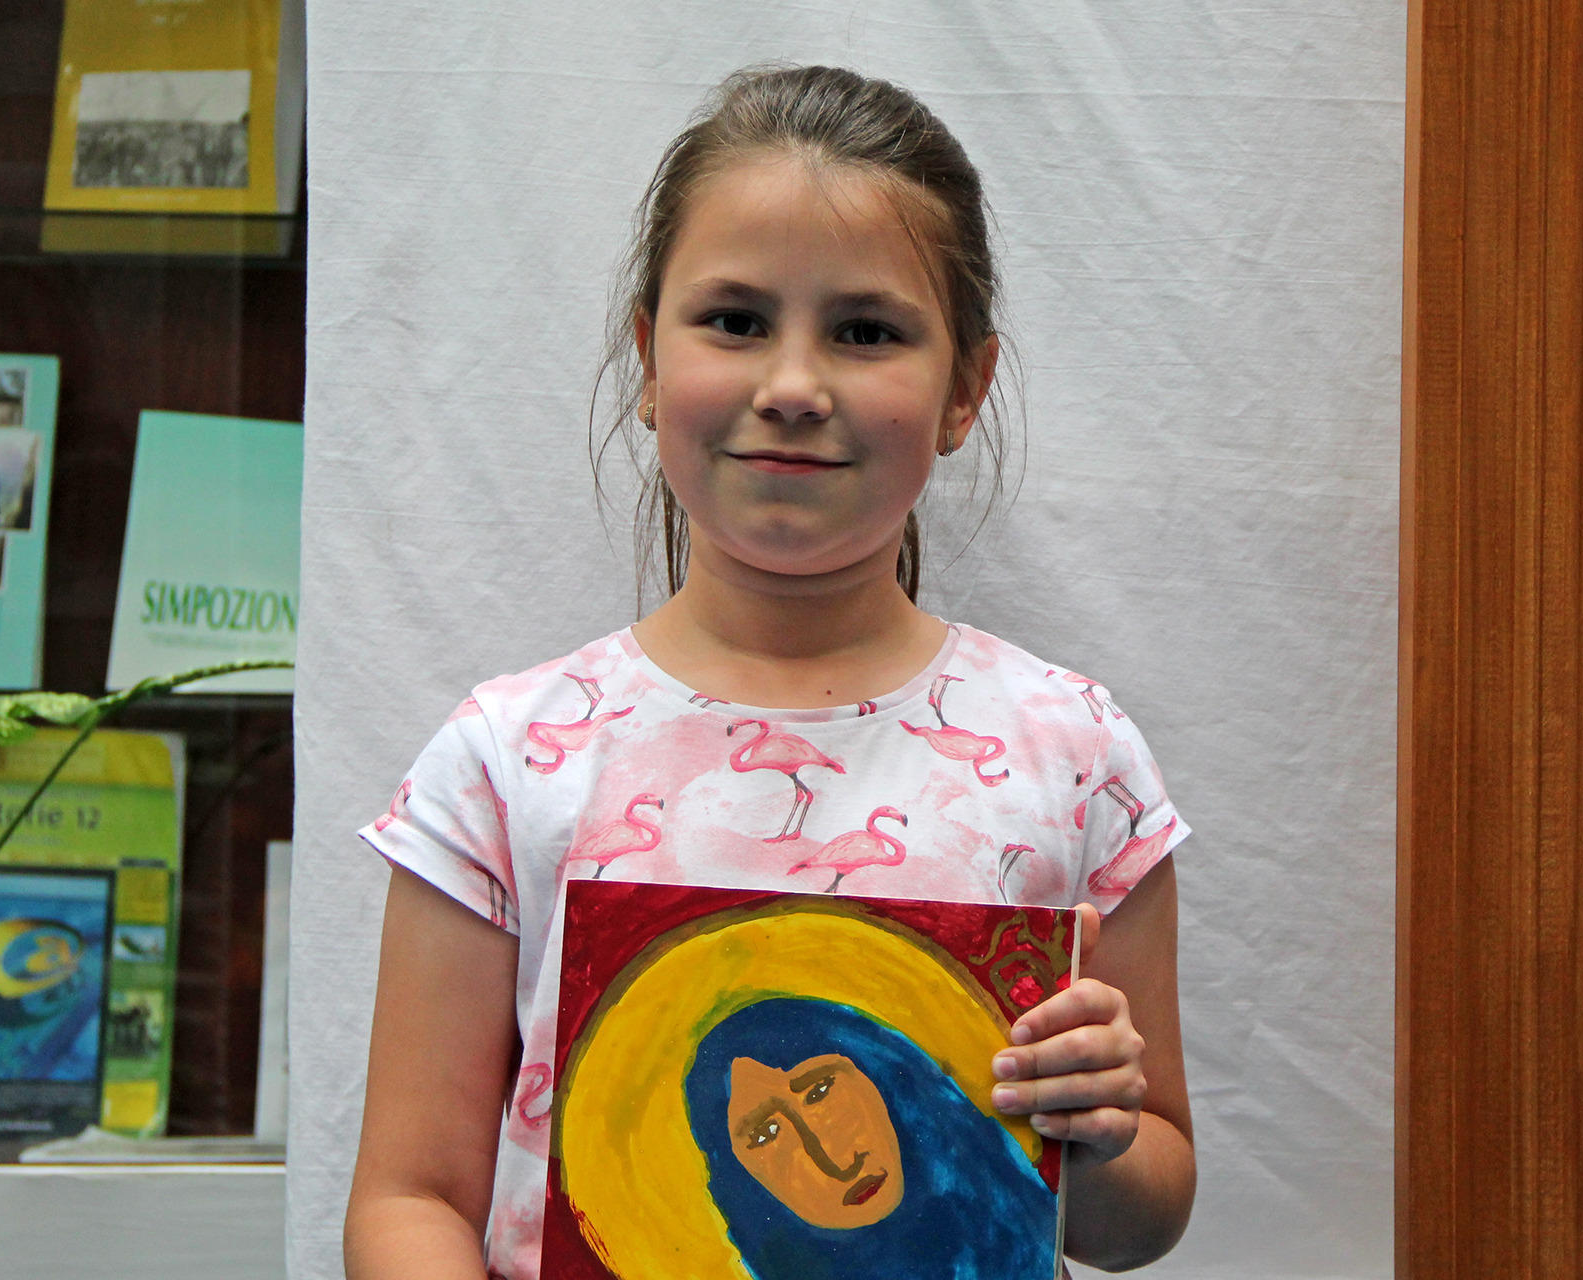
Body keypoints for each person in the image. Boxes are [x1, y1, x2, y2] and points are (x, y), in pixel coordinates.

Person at [345, 63, 1196, 1280]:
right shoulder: (504, 761)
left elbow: (1145, 1213)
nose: (793, 387)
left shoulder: (1077, 756)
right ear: (647, 359)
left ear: (964, 389)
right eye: (736, 320)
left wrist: (1098, 1131)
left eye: (866, 331)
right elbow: (408, 1195)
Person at [685, 997, 1059, 1280]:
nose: (836, 1163)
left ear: (882, 1077)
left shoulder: (1026, 1231)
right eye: (768, 1133)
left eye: (820, 1091)